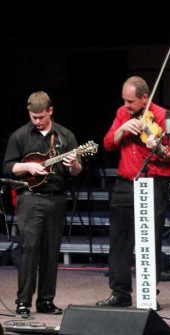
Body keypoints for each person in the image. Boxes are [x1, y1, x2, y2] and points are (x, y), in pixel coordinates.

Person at [97, 76, 170, 308]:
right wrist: (122, 129)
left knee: (149, 240)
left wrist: (158, 148)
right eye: (124, 100)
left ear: (145, 98)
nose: (126, 105)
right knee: (119, 240)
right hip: (125, 183)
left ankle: (148, 294)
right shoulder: (122, 113)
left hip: (153, 183)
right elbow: (108, 143)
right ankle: (119, 292)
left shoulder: (162, 116)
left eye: (131, 101)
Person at [2, 91, 83, 317]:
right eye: (33, 117)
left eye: (41, 117)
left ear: (50, 111)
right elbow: (8, 166)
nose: (37, 121)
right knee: (29, 250)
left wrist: (74, 163)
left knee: (50, 251)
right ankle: (23, 302)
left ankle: (46, 300)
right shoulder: (19, 136)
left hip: (56, 198)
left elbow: (76, 172)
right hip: (30, 198)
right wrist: (28, 167)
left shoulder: (66, 136)